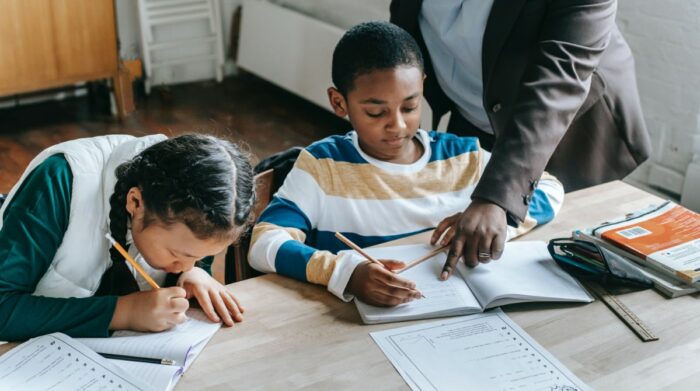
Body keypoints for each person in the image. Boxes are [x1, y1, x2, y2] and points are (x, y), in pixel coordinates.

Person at [247, 21, 564, 307]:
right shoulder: (323, 166)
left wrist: (494, 221)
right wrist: (344, 272)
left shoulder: (462, 155)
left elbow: (550, 188)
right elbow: (265, 242)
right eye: (376, 112)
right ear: (339, 102)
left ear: (423, 86)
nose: (397, 125)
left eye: (410, 106)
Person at [390, 0, 652, 277]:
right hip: (471, 113)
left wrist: (498, 198)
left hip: (569, 132)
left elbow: (560, 79)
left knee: (565, 266)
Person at [0, 133, 255, 341]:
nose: (188, 264)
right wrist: (122, 313)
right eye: (179, 255)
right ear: (135, 202)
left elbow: (190, 259)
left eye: (203, 256)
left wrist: (194, 274)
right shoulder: (60, 180)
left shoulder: (193, 206)